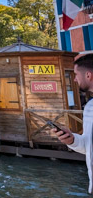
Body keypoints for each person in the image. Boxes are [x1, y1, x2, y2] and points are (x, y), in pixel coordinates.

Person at [54, 53, 93, 194]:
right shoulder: (89, 107)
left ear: (88, 75)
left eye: (76, 74)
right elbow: (89, 148)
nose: (74, 79)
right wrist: (72, 140)